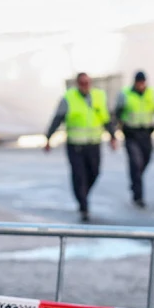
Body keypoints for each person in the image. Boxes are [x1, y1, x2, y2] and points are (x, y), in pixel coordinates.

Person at [44, 72, 109, 222]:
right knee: (79, 176)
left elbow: (105, 117)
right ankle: (84, 206)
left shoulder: (98, 96)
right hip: (75, 145)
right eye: (82, 83)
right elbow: (57, 118)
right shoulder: (68, 98)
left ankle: (83, 196)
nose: (85, 86)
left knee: (94, 173)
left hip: (93, 144)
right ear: (77, 84)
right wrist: (48, 138)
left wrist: (112, 135)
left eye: (88, 83)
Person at [109, 71, 154, 209]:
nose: (141, 85)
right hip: (131, 134)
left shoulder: (152, 93)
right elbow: (116, 114)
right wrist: (113, 133)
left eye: (143, 82)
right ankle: (138, 196)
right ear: (135, 82)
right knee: (136, 163)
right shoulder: (125, 94)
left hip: (147, 134)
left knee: (145, 161)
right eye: (139, 82)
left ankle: (135, 181)